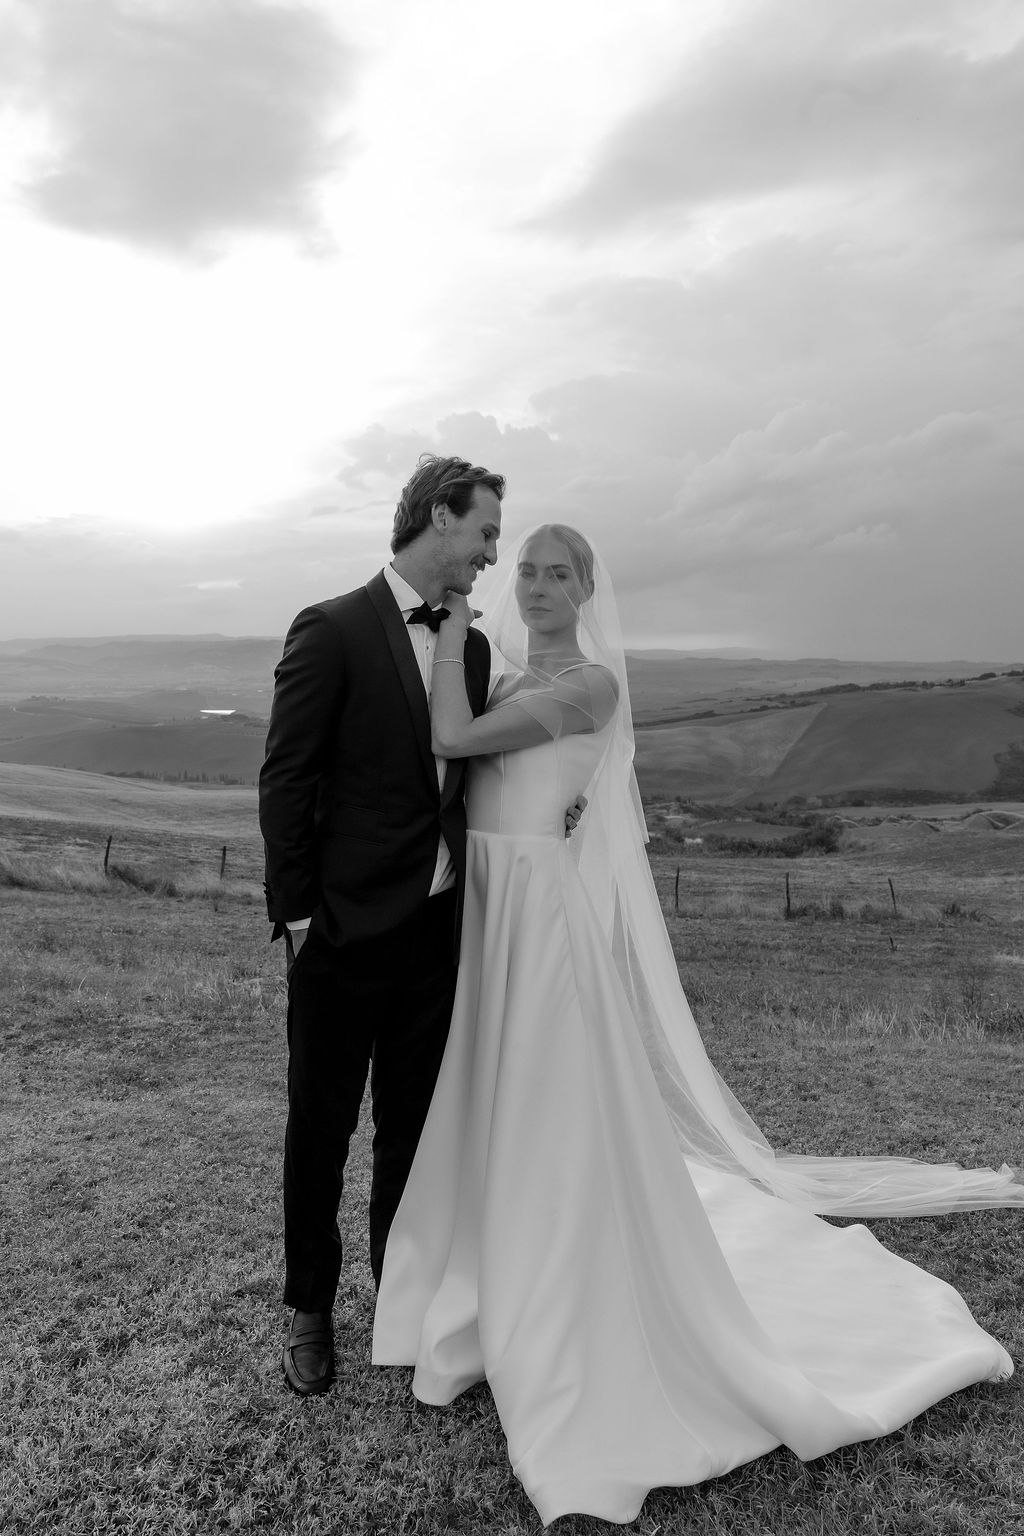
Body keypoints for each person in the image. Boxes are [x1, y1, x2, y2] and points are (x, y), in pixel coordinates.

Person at [372, 524, 1024, 1527]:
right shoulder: (503, 675)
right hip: (490, 908)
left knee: (547, 1098)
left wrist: (452, 622)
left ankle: (555, 1283)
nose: (536, 587)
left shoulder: (589, 686)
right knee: (494, 1094)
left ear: (586, 590)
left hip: (539, 919)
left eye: (557, 574)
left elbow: (453, 743)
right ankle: (487, 1269)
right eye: (527, 570)